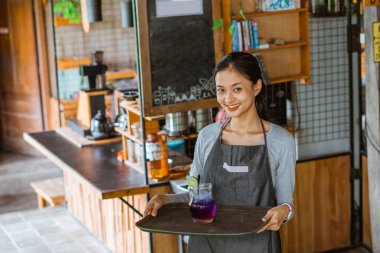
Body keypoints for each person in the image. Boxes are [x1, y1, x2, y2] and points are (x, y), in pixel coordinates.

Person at [144, 52, 296, 253]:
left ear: (257, 87)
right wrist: (165, 199)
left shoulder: (281, 141)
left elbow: (286, 204)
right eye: (221, 90)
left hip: (257, 246)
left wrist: (284, 211)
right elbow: (194, 192)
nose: (228, 98)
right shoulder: (207, 136)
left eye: (237, 89)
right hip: (206, 245)